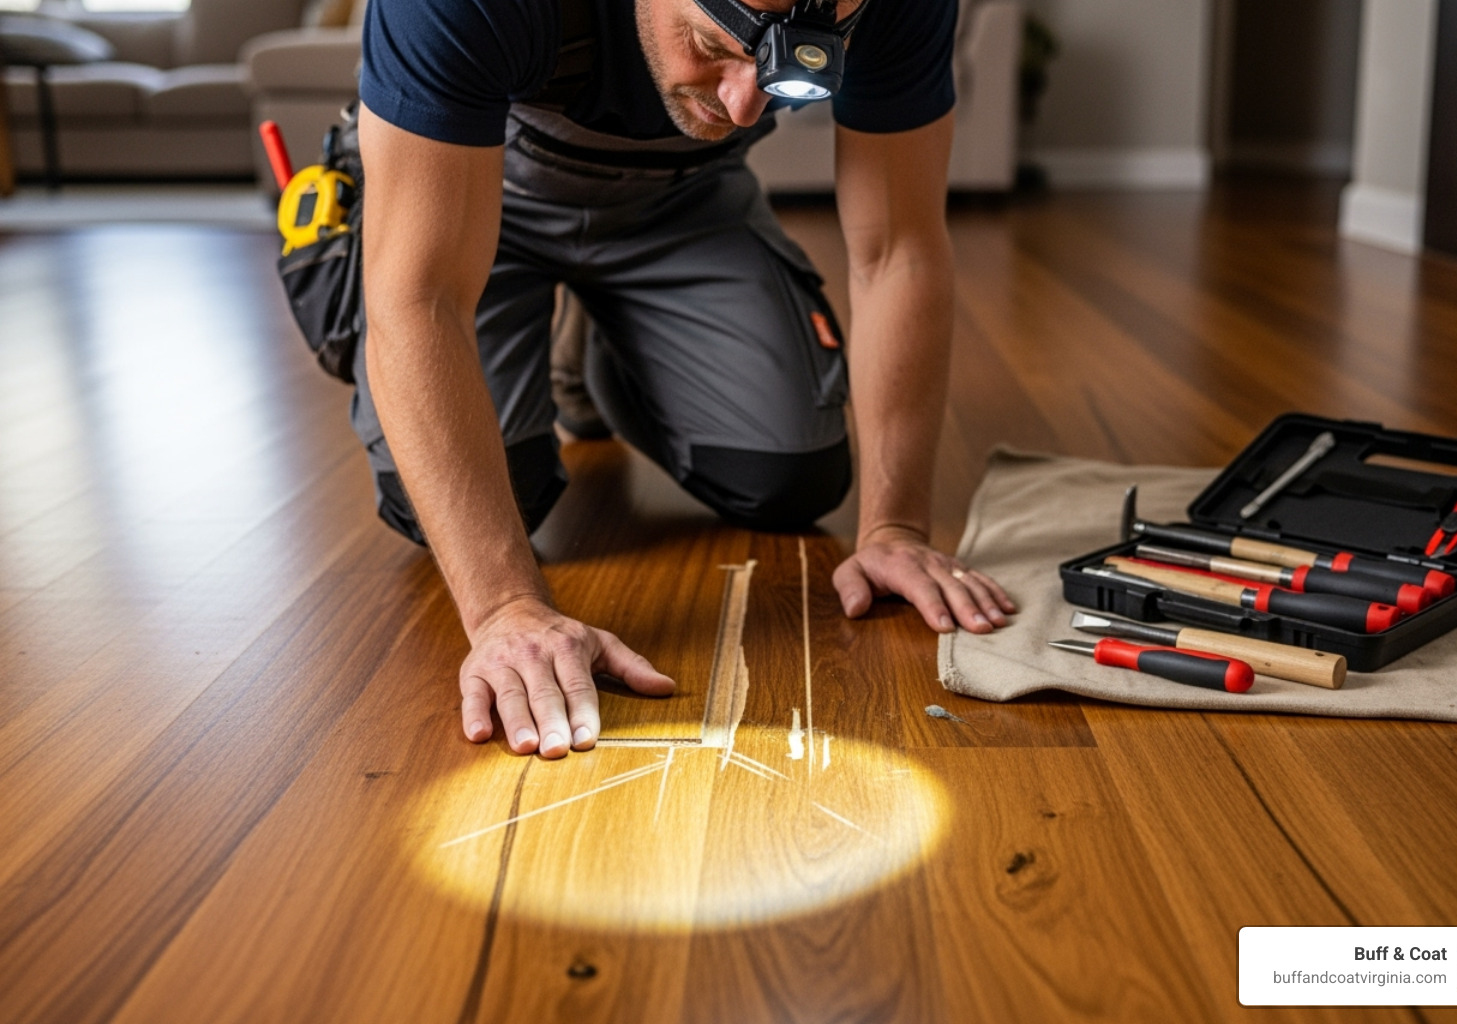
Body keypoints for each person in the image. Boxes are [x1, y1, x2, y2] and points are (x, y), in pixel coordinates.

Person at [354, 0, 1015, 759]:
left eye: (788, 71)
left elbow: (898, 250)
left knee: (788, 478)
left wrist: (895, 527)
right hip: (477, 195)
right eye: (712, 46)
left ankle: (608, 345)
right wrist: (505, 608)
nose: (744, 105)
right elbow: (421, 300)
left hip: (681, 204)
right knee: (469, 496)